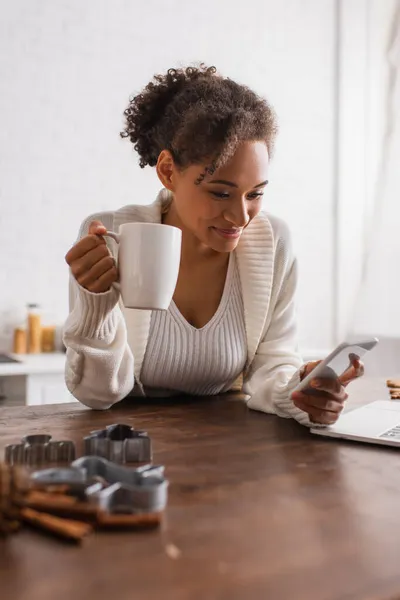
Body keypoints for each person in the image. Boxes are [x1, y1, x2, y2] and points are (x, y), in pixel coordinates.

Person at [63, 64, 364, 426]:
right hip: (128, 446)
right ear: (168, 171)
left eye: (255, 194)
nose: (240, 216)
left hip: (230, 445)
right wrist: (95, 308)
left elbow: (273, 366)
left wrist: (301, 392)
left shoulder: (272, 243)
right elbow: (97, 395)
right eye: (221, 192)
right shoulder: (111, 235)